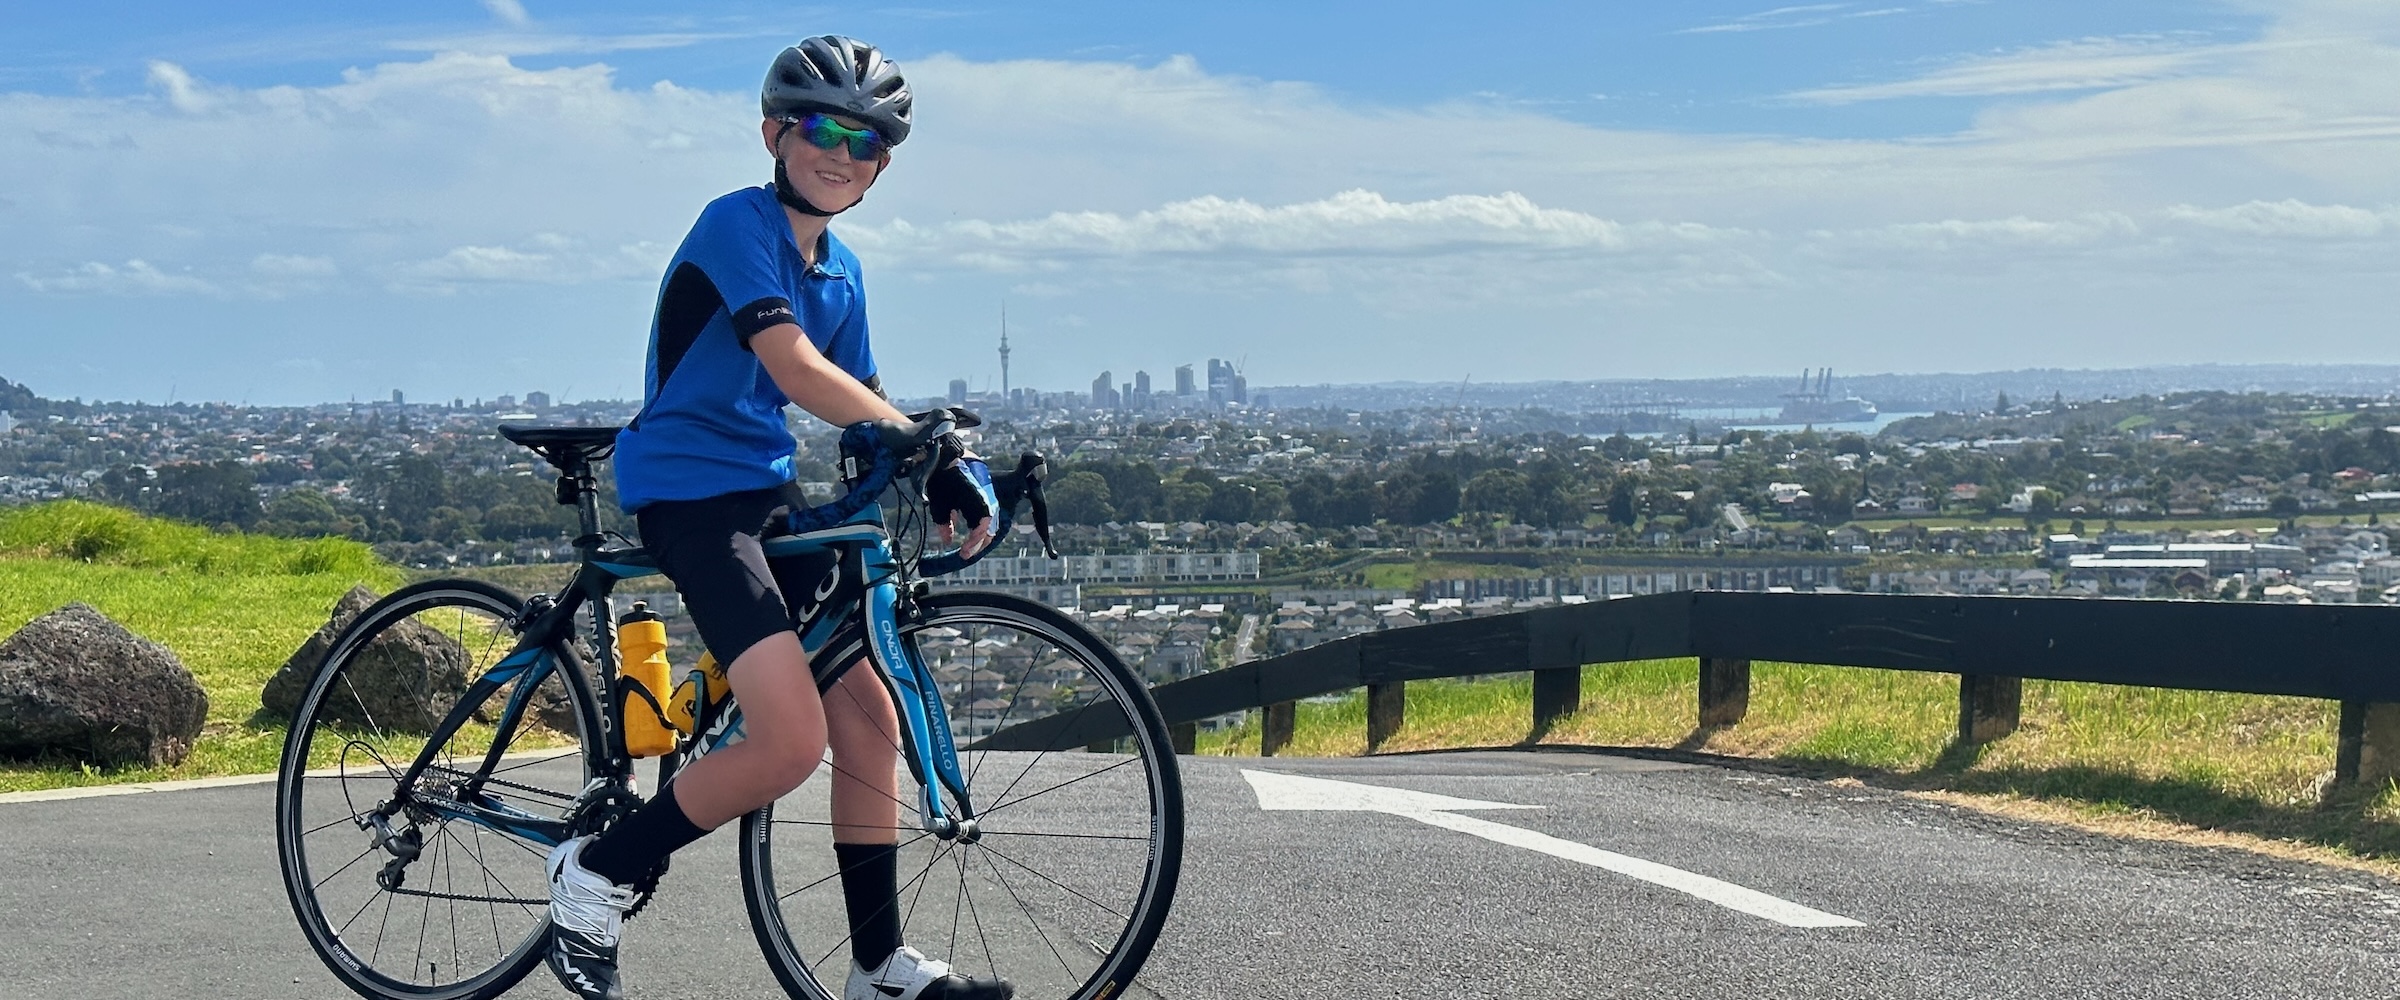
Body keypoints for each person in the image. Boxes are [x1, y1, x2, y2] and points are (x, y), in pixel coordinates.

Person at [542, 35, 1011, 1000]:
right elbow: (796, 368)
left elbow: (863, 402)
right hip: (686, 491)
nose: (842, 152)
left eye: (869, 141)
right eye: (822, 127)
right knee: (791, 742)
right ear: (773, 131)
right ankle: (594, 871)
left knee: (870, 721)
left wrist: (941, 471)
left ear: (885, 166)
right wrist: (924, 436)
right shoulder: (736, 226)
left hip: (762, 491)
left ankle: (878, 968)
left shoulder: (844, 273)